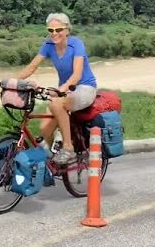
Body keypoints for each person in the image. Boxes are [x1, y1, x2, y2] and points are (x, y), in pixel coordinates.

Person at [16, 12, 97, 164]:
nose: (54, 34)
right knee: (45, 129)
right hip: (64, 91)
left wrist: (62, 89)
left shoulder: (76, 44)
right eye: (50, 30)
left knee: (56, 103)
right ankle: (52, 160)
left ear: (67, 30)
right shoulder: (48, 45)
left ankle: (68, 148)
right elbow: (32, 67)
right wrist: (13, 82)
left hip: (84, 88)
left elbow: (77, 74)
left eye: (58, 30)